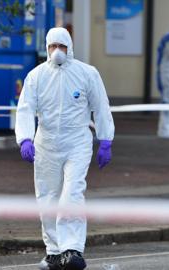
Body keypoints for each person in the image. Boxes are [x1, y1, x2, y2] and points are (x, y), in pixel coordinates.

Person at [15, 27, 115, 270]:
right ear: (47, 48)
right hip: (46, 143)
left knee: (72, 193)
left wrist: (105, 139)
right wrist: (25, 138)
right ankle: (54, 252)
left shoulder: (86, 73)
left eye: (62, 46)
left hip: (77, 142)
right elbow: (26, 108)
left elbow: (100, 106)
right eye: (52, 46)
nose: (57, 51)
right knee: (47, 197)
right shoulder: (37, 76)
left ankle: (72, 249)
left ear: (70, 48)